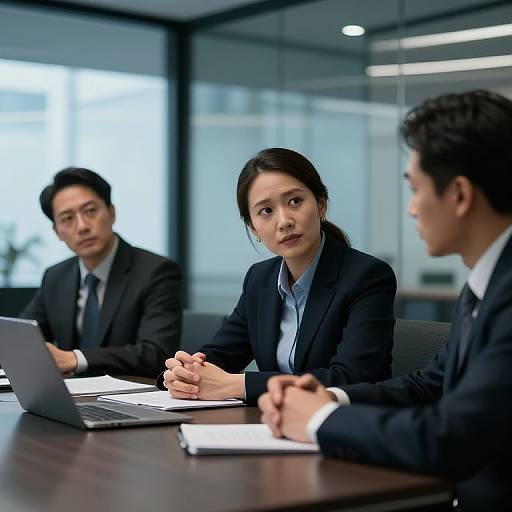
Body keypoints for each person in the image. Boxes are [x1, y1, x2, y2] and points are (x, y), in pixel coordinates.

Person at [259, 90, 512, 511]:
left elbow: (452, 438)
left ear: (460, 195)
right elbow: (427, 385)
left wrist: (320, 420)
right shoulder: (484, 284)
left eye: (415, 189)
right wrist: (331, 398)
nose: (411, 209)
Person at [160, 148, 396, 404]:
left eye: (295, 201)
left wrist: (237, 384)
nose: (284, 221)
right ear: (253, 227)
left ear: (321, 204)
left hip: (343, 429)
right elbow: (220, 354)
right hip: (273, 428)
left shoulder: (367, 276)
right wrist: (183, 373)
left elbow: (351, 378)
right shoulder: (260, 279)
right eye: (266, 211)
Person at [20, 167, 182, 377]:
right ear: (57, 231)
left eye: (90, 211)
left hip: (129, 399)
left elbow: (156, 354)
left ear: (111, 212)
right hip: (66, 399)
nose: (82, 227)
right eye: (67, 218)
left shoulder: (156, 271)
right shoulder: (56, 276)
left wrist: (74, 359)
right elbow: (22, 337)